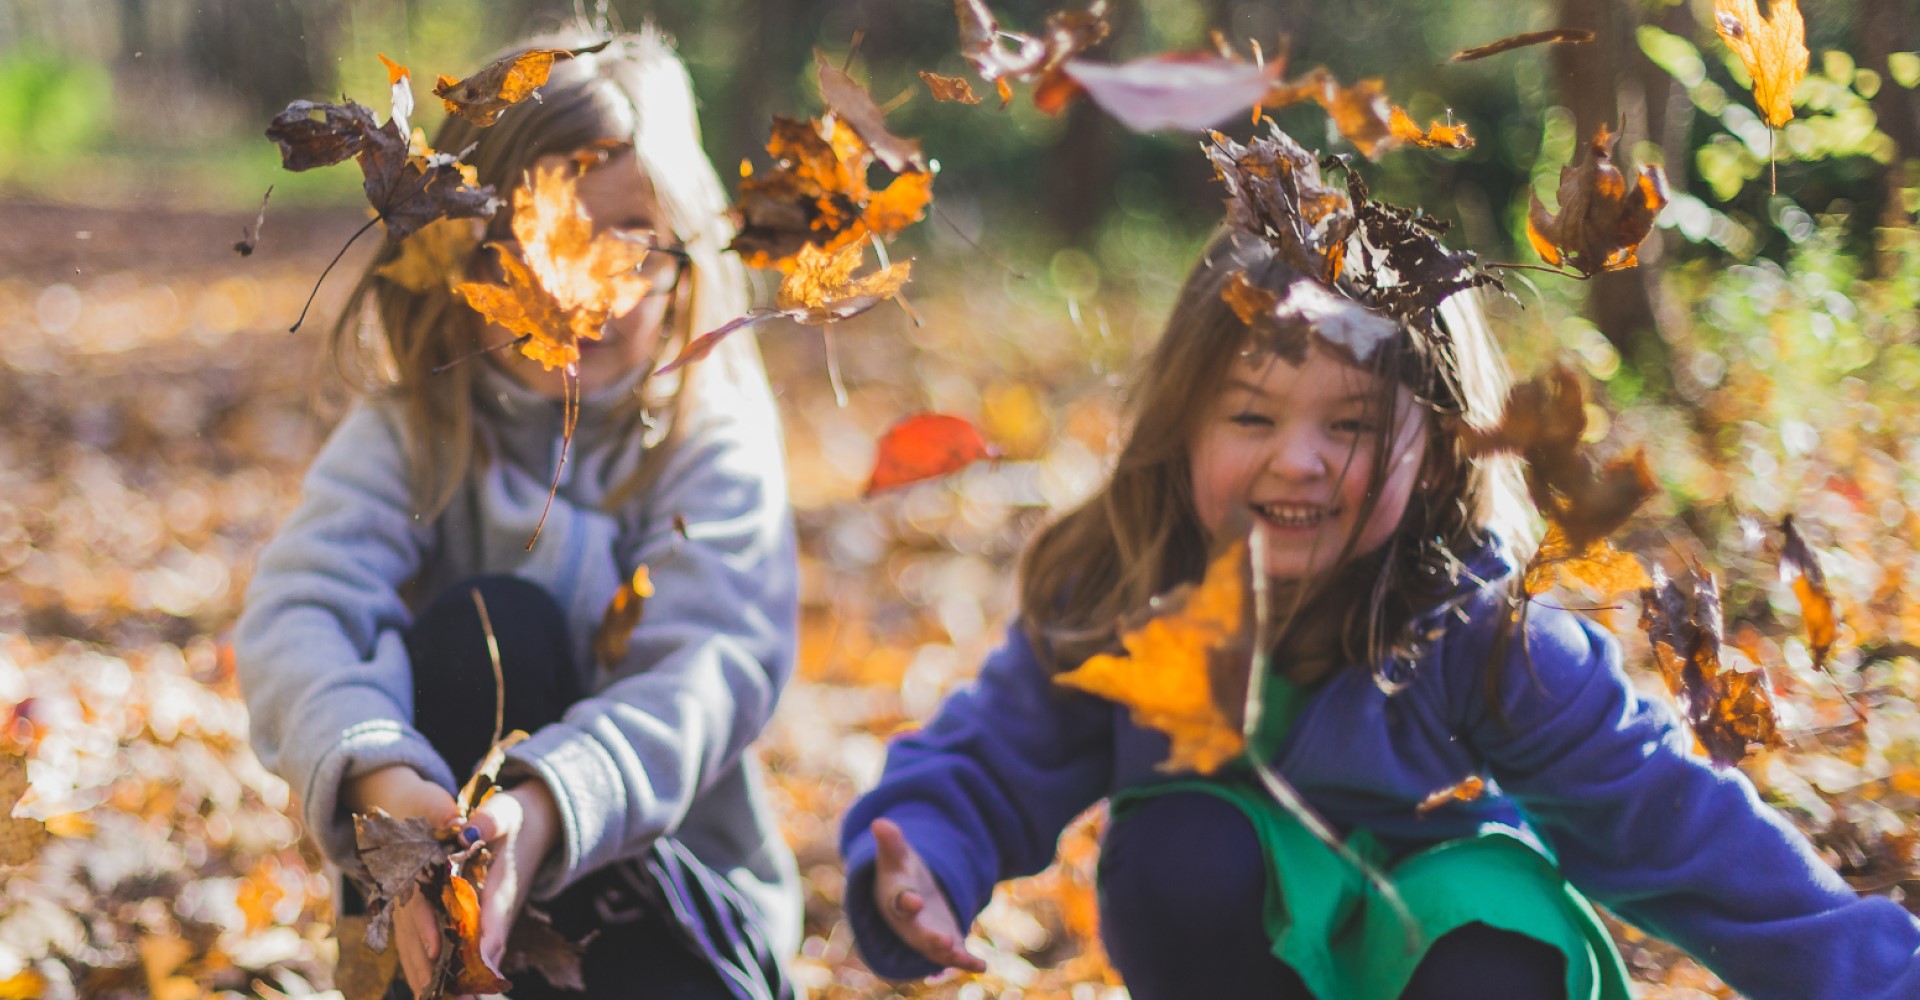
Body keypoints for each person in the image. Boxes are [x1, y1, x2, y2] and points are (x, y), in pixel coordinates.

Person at [838, 221, 1920, 999]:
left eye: (1351, 424)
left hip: (1459, 940)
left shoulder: (1486, 633)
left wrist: (1875, 976)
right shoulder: (1133, 590)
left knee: (1489, 945)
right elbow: (994, 754)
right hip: (1247, 935)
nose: (1296, 458)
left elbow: (1671, 819)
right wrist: (927, 854)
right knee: (1182, 849)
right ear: (1184, 424)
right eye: (1252, 412)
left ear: (1442, 446)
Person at [236, 27, 797, 1000]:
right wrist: (383, 787)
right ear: (463, 252)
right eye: (542, 237)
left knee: (518, 625)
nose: (592, 286)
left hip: (678, 919)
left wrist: (544, 808)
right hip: (445, 896)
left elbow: (708, 671)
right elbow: (302, 610)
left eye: (629, 236)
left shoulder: (710, 445)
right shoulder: (420, 432)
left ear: (686, 250)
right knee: (490, 628)